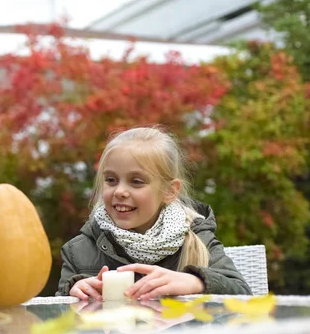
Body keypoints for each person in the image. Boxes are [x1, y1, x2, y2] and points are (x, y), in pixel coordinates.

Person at [57, 126, 251, 300]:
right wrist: (73, 294)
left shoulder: (198, 238)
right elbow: (56, 317)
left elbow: (243, 293)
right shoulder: (78, 251)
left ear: (170, 191)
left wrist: (195, 282)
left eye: (136, 182)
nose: (119, 191)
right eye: (111, 180)